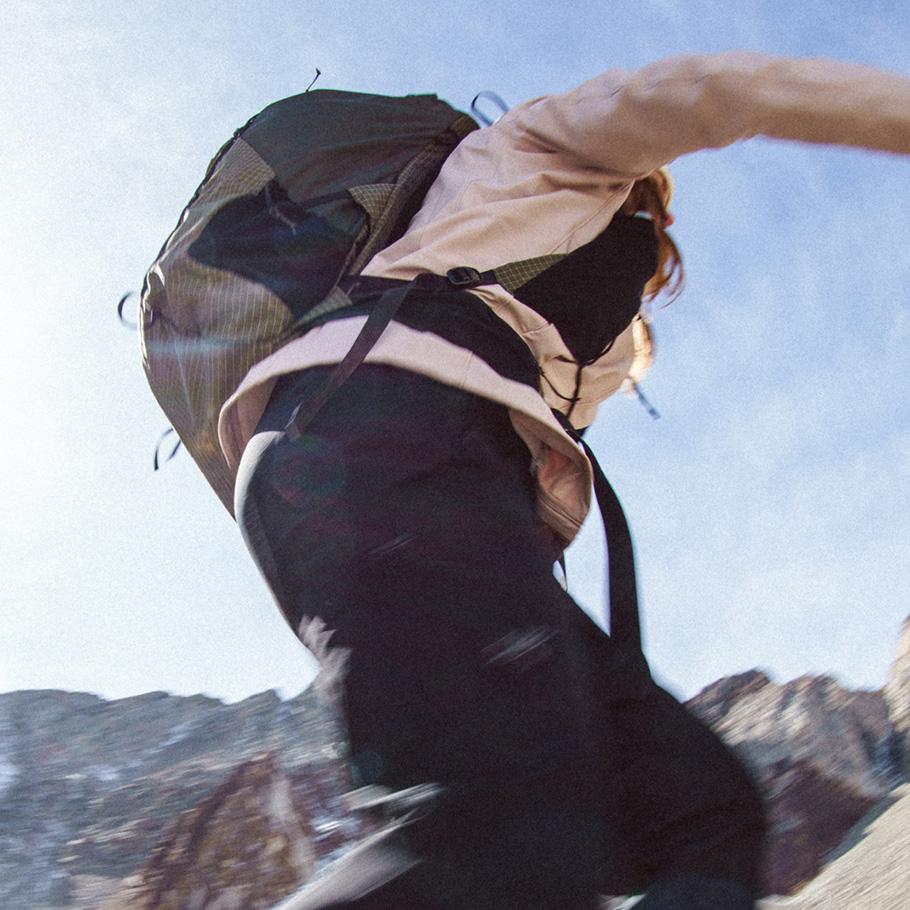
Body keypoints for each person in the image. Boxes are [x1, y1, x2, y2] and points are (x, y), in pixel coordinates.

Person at [223, 52, 910, 909]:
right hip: (370, 438)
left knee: (702, 810)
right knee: (500, 840)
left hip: (376, 470)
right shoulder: (536, 146)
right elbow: (721, 89)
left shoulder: (552, 302)